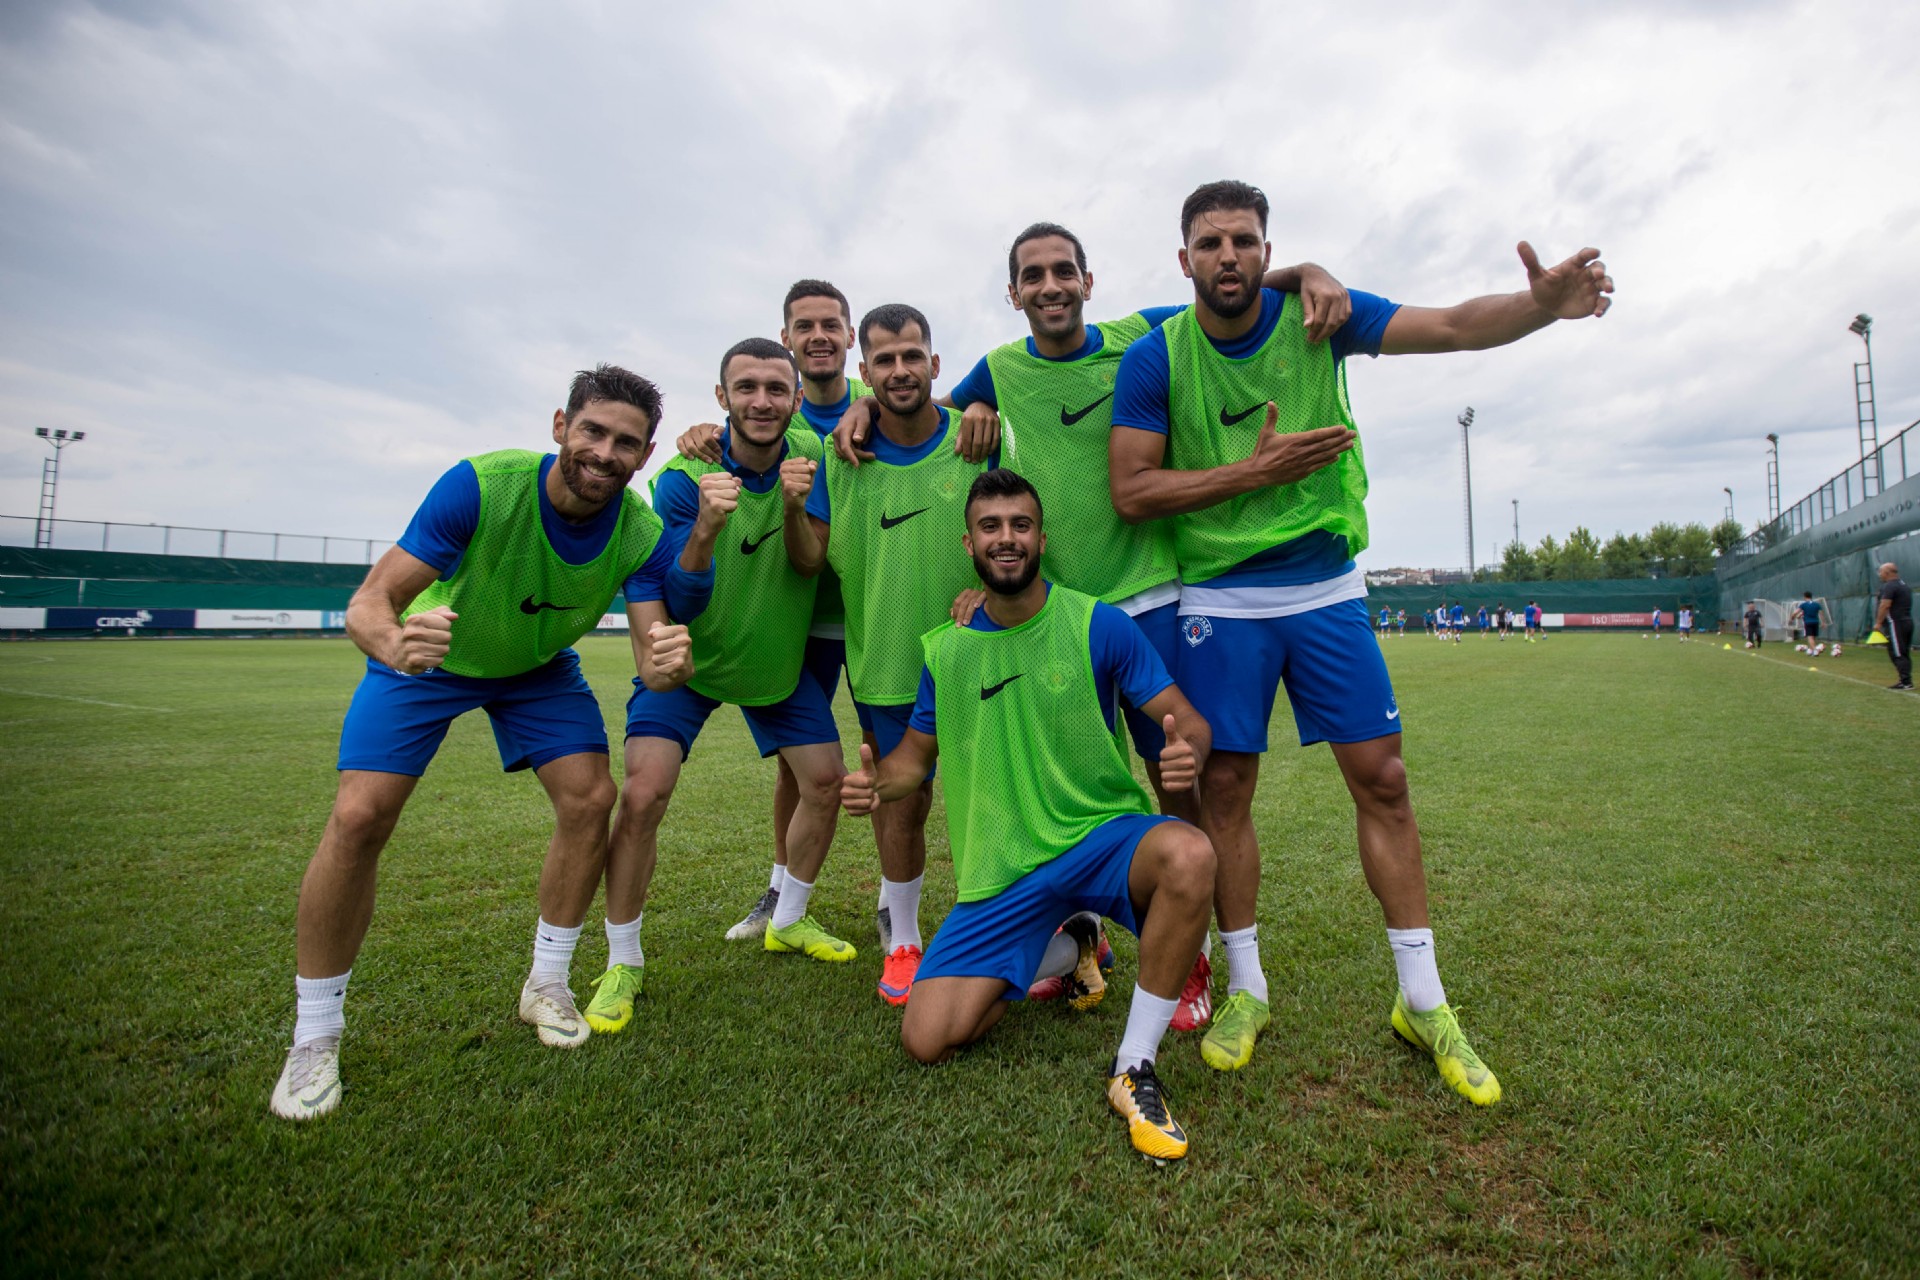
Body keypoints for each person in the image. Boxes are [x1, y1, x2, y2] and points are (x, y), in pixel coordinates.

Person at [1109, 178, 1611, 1101]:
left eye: (1245, 240)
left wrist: (1540, 308)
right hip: (1219, 595)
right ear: (1184, 259)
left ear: (1269, 252)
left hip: (1327, 587)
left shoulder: (1320, 316)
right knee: (1225, 788)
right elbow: (1132, 491)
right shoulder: (1156, 357)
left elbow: (1451, 325)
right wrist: (1251, 473)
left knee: (1383, 779)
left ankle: (1422, 1000)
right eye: (1211, 243)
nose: (1228, 256)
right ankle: (1248, 989)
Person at [845, 222, 1346, 1028]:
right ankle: (1069, 928)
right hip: (1058, 613)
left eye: (1063, 271)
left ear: (1088, 280)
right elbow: (920, 404)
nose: (1049, 286)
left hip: (1145, 599)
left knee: (1174, 775)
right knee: (1063, 780)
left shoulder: (1138, 334)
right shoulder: (999, 368)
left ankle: (1191, 958)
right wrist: (864, 413)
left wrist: (1306, 270)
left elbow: (1224, 290)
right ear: (1013, 293)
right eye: (1032, 275)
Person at [270, 365, 702, 1121]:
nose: (605, 453)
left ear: (646, 454)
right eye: (593, 431)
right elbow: (369, 603)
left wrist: (669, 664)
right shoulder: (481, 486)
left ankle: (547, 983)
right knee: (359, 817)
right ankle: (315, 1035)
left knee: (590, 799)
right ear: (561, 424)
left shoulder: (640, 533)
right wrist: (396, 643)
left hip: (536, 669)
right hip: (432, 659)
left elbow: (650, 655)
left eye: (626, 443)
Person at [842, 469, 1217, 1164]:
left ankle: (1133, 1065)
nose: (1006, 538)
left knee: (1190, 854)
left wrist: (1185, 751)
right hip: (1006, 870)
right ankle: (1072, 944)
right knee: (928, 1039)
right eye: (990, 527)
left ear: (1042, 539)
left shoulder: (1097, 622)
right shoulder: (945, 649)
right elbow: (911, 761)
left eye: (1020, 525)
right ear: (969, 544)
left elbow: (1184, 718)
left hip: (1100, 837)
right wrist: (876, 784)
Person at [583, 341, 853, 1037]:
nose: (761, 401)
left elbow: (809, 564)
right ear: (721, 396)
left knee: (826, 782)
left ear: (796, 399)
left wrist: (793, 505)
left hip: (773, 664)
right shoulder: (681, 477)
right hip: (688, 663)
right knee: (643, 794)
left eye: (775, 389)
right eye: (746, 388)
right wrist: (706, 525)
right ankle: (623, 961)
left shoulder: (810, 457)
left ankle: (788, 919)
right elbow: (679, 596)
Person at [790, 303, 992, 1003]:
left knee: (995, 794)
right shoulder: (839, 455)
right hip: (884, 662)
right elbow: (809, 560)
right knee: (902, 801)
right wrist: (790, 508)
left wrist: (988, 590)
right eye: (885, 360)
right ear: (864, 372)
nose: (900, 370)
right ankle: (903, 939)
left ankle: (1030, 924)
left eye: (912, 357)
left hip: (981, 654)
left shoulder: (979, 438)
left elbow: (1020, 527)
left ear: (935, 364)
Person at [1874, 563, 1913, 690]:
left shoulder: (1889, 586)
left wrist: (1878, 622)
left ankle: (1906, 682)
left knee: (1898, 653)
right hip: (1906, 621)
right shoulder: (1903, 584)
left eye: (1881, 572)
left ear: (1887, 573)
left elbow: (1885, 604)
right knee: (1902, 652)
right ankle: (1905, 680)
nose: (1880, 574)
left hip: (1895, 623)